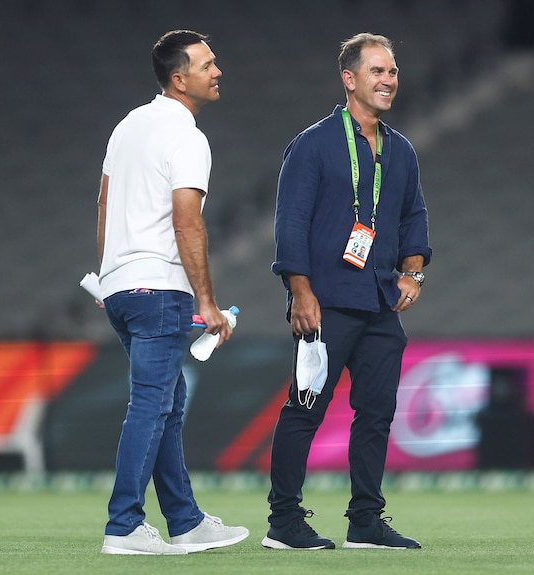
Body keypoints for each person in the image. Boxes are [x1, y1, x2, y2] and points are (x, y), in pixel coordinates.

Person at [264, 33, 431, 550]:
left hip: (380, 301)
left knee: (377, 412)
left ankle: (365, 521)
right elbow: (290, 223)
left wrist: (413, 271)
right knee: (305, 407)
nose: (388, 80)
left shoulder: (400, 150)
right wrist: (300, 291)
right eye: (378, 71)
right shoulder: (313, 144)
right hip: (327, 299)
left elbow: (414, 217)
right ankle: (284, 522)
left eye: (393, 71)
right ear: (349, 78)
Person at [95, 30, 248, 555]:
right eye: (208, 64)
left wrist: (108, 272)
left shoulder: (127, 127)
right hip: (160, 288)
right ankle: (124, 526)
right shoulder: (187, 137)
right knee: (151, 405)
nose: (218, 71)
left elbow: (104, 204)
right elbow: (188, 224)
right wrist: (206, 302)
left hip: (120, 287)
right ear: (180, 79)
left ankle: (184, 520)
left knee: (166, 404)